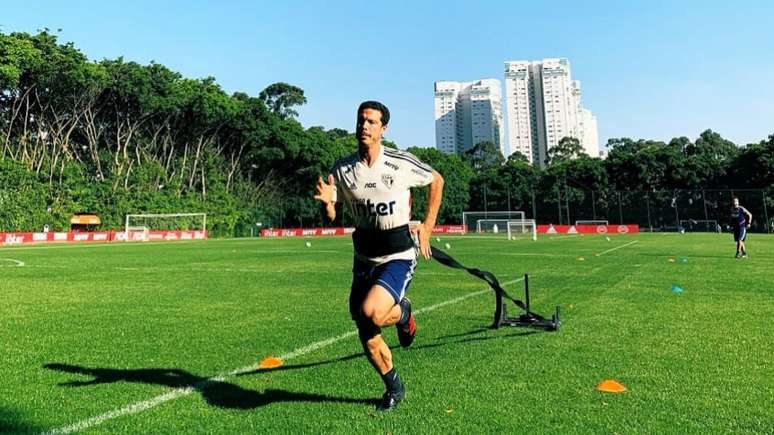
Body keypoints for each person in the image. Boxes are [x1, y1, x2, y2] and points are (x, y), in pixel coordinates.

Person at [314, 101, 444, 411]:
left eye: (372, 122)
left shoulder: (400, 163)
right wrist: (327, 203)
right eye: (361, 120)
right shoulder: (342, 169)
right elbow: (332, 213)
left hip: (397, 254)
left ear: (383, 128)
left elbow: (436, 180)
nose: (364, 126)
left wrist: (427, 226)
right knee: (365, 327)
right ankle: (394, 387)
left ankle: (402, 313)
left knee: (372, 310)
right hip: (363, 258)